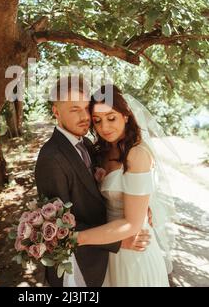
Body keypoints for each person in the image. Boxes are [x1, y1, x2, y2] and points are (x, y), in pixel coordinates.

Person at [35, 77, 151, 287]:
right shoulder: (52, 158)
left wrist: (139, 203)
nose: (84, 117)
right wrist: (119, 241)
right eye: (74, 109)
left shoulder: (88, 144)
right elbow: (58, 224)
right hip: (79, 266)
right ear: (56, 112)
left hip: (109, 258)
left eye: (86, 108)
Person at [76, 84, 174, 287]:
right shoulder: (100, 152)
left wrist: (75, 238)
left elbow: (132, 223)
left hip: (134, 249)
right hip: (108, 245)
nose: (105, 127)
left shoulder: (136, 154)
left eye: (111, 118)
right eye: (98, 121)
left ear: (126, 116)